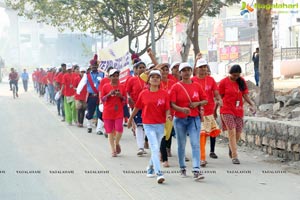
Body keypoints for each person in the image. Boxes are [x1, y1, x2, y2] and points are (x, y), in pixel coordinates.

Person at [128, 70, 171, 184]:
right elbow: (137, 108)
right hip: (148, 124)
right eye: (153, 77)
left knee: (155, 148)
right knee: (155, 147)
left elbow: (167, 109)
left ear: (160, 80)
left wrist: (168, 116)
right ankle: (159, 173)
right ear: (149, 80)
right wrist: (130, 119)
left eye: (158, 77)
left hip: (160, 125)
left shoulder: (164, 94)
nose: (155, 79)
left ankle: (150, 168)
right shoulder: (144, 93)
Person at [170, 62, 208, 181]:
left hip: (194, 118)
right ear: (180, 73)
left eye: (188, 70)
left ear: (192, 72)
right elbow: (172, 103)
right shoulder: (176, 87)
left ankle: (196, 170)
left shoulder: (197, 86)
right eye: (184, 70)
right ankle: (182, 167)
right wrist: (181, 109)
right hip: (180, 119)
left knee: (195, 144)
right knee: (181, 144)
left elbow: (205, 100)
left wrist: (197, 103)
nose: (186, 72)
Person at [219, 64, 256, 164]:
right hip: (226, 110)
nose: (235, 77)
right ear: (230, 73)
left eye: (237, 75)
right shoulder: (224, 82)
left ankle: (231, 146)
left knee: (238, 133)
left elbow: (245, 95)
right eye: (234, 75)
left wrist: (252, 104)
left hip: (238, 110)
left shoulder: (241, 81)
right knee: (232, 131)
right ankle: (235, 156)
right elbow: (219, 97)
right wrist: (215, 110)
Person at [191, 58, 222, 167]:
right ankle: (202, 158)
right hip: (196, 111)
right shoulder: (192, 80)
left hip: (209, 111)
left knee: (206, 134)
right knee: (202, 134)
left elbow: (216, 92)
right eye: (201, 67)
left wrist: (219, 99)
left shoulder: (211, 80)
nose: (203, 69)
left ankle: (200, 154)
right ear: (196, 69)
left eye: (205, 67)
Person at [101, 69, 126, 157]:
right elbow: (102, 99)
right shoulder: (105, 86)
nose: (115, 78)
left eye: (117, 76)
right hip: (108, 112)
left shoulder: (122, 87)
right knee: (110, 131)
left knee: (119, 129)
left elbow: (125, 100)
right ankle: (113, 150)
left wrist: (120, 96)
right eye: (113, 76)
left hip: (118, 111)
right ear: (109, 77)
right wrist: (108, 94)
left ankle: (117, 143)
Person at [77, 54, 104, 133]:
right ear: (90, 66)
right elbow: (82, 83)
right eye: (93, 65)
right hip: (91, 96)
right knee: (90, 112)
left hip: (99, 96)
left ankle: (99, 129)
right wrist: (78, 90)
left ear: (97, 66)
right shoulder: (87, 75)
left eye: (95, 65)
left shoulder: (102, 74)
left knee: (100, 112)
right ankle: (89, 125)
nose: (94, 67)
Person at [126, 60, 148, 156]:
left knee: (147, 127)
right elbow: (127, 92)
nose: (142, 69)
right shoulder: (132, 80)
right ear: (136, 69)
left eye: (144, 67)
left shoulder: (149, 78)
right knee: (139, 126)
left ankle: (147, 143)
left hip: (148, 107)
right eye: (140, 67)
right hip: (136, 106)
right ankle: (140, 147)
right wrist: (129, 99)